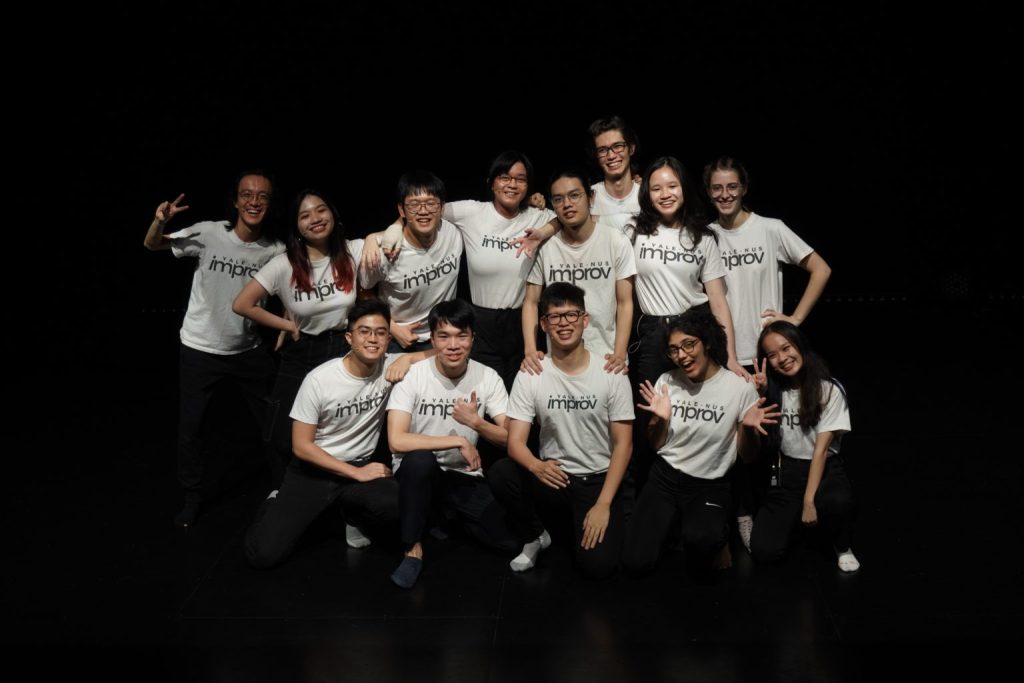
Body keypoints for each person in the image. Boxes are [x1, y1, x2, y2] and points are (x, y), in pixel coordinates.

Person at [703, 156, 833, 549]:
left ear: (743, 189)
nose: (725, 194)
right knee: (735, 441)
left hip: (768, 356)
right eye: (716, 188)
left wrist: (793, 319)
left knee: (771, 438)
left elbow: (821, 269)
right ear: (708, 193)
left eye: (731, 187)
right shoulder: (705, 234)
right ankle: (741, 513)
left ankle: (773, 512)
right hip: (726, 356)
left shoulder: (770, 229)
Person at [244, 299, 433, 568]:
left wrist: (407, 357)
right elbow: (301, 446)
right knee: (262, 556)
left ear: (388, 338)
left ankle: (350, 514)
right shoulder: (320, 380)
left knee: (398, 505)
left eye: (380, 333)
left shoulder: (389, 367)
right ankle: (274, 501)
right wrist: (355, 473)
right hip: (314, 470)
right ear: (349, 337)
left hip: (357, 469)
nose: (372, 339)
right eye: (364, 331)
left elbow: (439, 352)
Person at [143, 170, 284, 527]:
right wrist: (159, 222)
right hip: (200, 347)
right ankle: (192, 497)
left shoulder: (275, 250)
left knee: (273, 421)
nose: (254, 202)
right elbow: (152, 245)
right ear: (236, 201)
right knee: (191, 428)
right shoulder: (209, 233)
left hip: (247, 349)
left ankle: (284, 488)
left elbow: (291, 291)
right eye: (247, 195)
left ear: (269, 204)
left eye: (262, 197)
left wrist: (287, 324)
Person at [366, 151, 557, 389]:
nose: (512, 184)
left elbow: (566, 217)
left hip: (521, 321)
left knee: (521, 393)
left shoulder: (537, 216)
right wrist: (391, 229)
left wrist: (542, 232)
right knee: (480, 392)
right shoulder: (472, 212)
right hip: (481, 322)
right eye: (504, 177)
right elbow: (424, 210)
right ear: (491, 182)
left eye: (520, 179)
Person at [489, 283, 633, 577]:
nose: (564, 323)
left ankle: (579, 523)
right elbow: (515, 441)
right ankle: (536, 534)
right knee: (502, 473)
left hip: (596, 480)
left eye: (571, 315)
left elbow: (623, 445)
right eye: (555, 317)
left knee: (599, 568)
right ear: (543, 324)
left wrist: (603, 504)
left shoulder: (611, 372)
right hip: (554, 476)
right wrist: (536, 466)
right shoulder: (532, 373)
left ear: (585, 320)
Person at [623, 308, 780, 577]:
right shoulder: (667, 381)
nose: (682, 355)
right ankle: (678, 525)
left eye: (688, 344)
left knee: (702, 545)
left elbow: (748, 457)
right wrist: (658, 420)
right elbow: (655, 444)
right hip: (665, 478)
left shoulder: (739, 389)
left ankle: (720, 534)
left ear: (706, 341)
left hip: (709, 484)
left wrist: (751, 430)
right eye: (674, 350)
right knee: (635, 563)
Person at [232, 190, 364, 488]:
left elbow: (392, 235)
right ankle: (284, 493)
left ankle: (340, 494)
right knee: (279, 432)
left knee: (338, 429)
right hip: (301, 350)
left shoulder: (352, 250)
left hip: (342, 350)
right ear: (296, 227)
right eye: (305, 216)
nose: (315, 219)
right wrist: (286, 324)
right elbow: (242, 304)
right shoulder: (284, 264)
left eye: (320, 211)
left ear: (332, 214)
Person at [627, 157, 745, 490]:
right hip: (651, 335)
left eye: (672, 185)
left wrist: (731, 356)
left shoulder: (703, 237)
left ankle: (699, 498)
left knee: (694, 418)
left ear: (684, 188)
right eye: (656, 187)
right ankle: (648, 498)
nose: (665, 193)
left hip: (693, 331)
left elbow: (718, 301)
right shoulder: (633, 230)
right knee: (651, 418)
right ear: (646, 193)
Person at [385, 299, 517, 588]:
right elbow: (396, 440)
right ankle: (412, 549)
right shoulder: (413, 375)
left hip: (461, 475)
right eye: (444, 336)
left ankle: (440, 511)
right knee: (420, 459)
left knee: (508, 542)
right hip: (416, 472)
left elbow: (512, 438)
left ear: (473, 338)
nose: (453, 345)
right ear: (432, 340)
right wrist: (457, 439)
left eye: (461, 336)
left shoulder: (487, 376)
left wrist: (477, 424)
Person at [749, 321, 859, 572]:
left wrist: (809, 500)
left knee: (836, 501)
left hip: (824, 469)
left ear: (799, 345)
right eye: (772, 355)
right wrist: (760, 393)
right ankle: (797, 522)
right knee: (764, 551)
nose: (782, 359)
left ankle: (842, 545)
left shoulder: (829, 389)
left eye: (786, 348)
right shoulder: (774, 391)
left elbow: (820, 451)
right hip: (787, 472)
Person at [522, 169, 636, 375]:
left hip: (607, 360)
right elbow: (531, 301)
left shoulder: (615, 241)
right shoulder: (546, 247)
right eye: (558, 199)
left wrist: (620, 353)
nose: (567, 204)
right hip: (559, 360)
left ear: (591, 198)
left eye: (574, 195)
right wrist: (530, 350)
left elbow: (625, 302)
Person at [361, 171, 462, 353]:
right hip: (398, 339)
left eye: (431, 203)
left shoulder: (453, 233)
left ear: (441, 207)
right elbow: (363, 291)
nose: (423, 211)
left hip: (443, 335)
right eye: (414, 205)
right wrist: (391, 327)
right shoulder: (384, 252)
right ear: (402, 210)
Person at [588, 116, 642, 233]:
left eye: (618, 146)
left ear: (631, 149)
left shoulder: (647, 196)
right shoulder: (588, 198)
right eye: (602, 150)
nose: (611, 156)